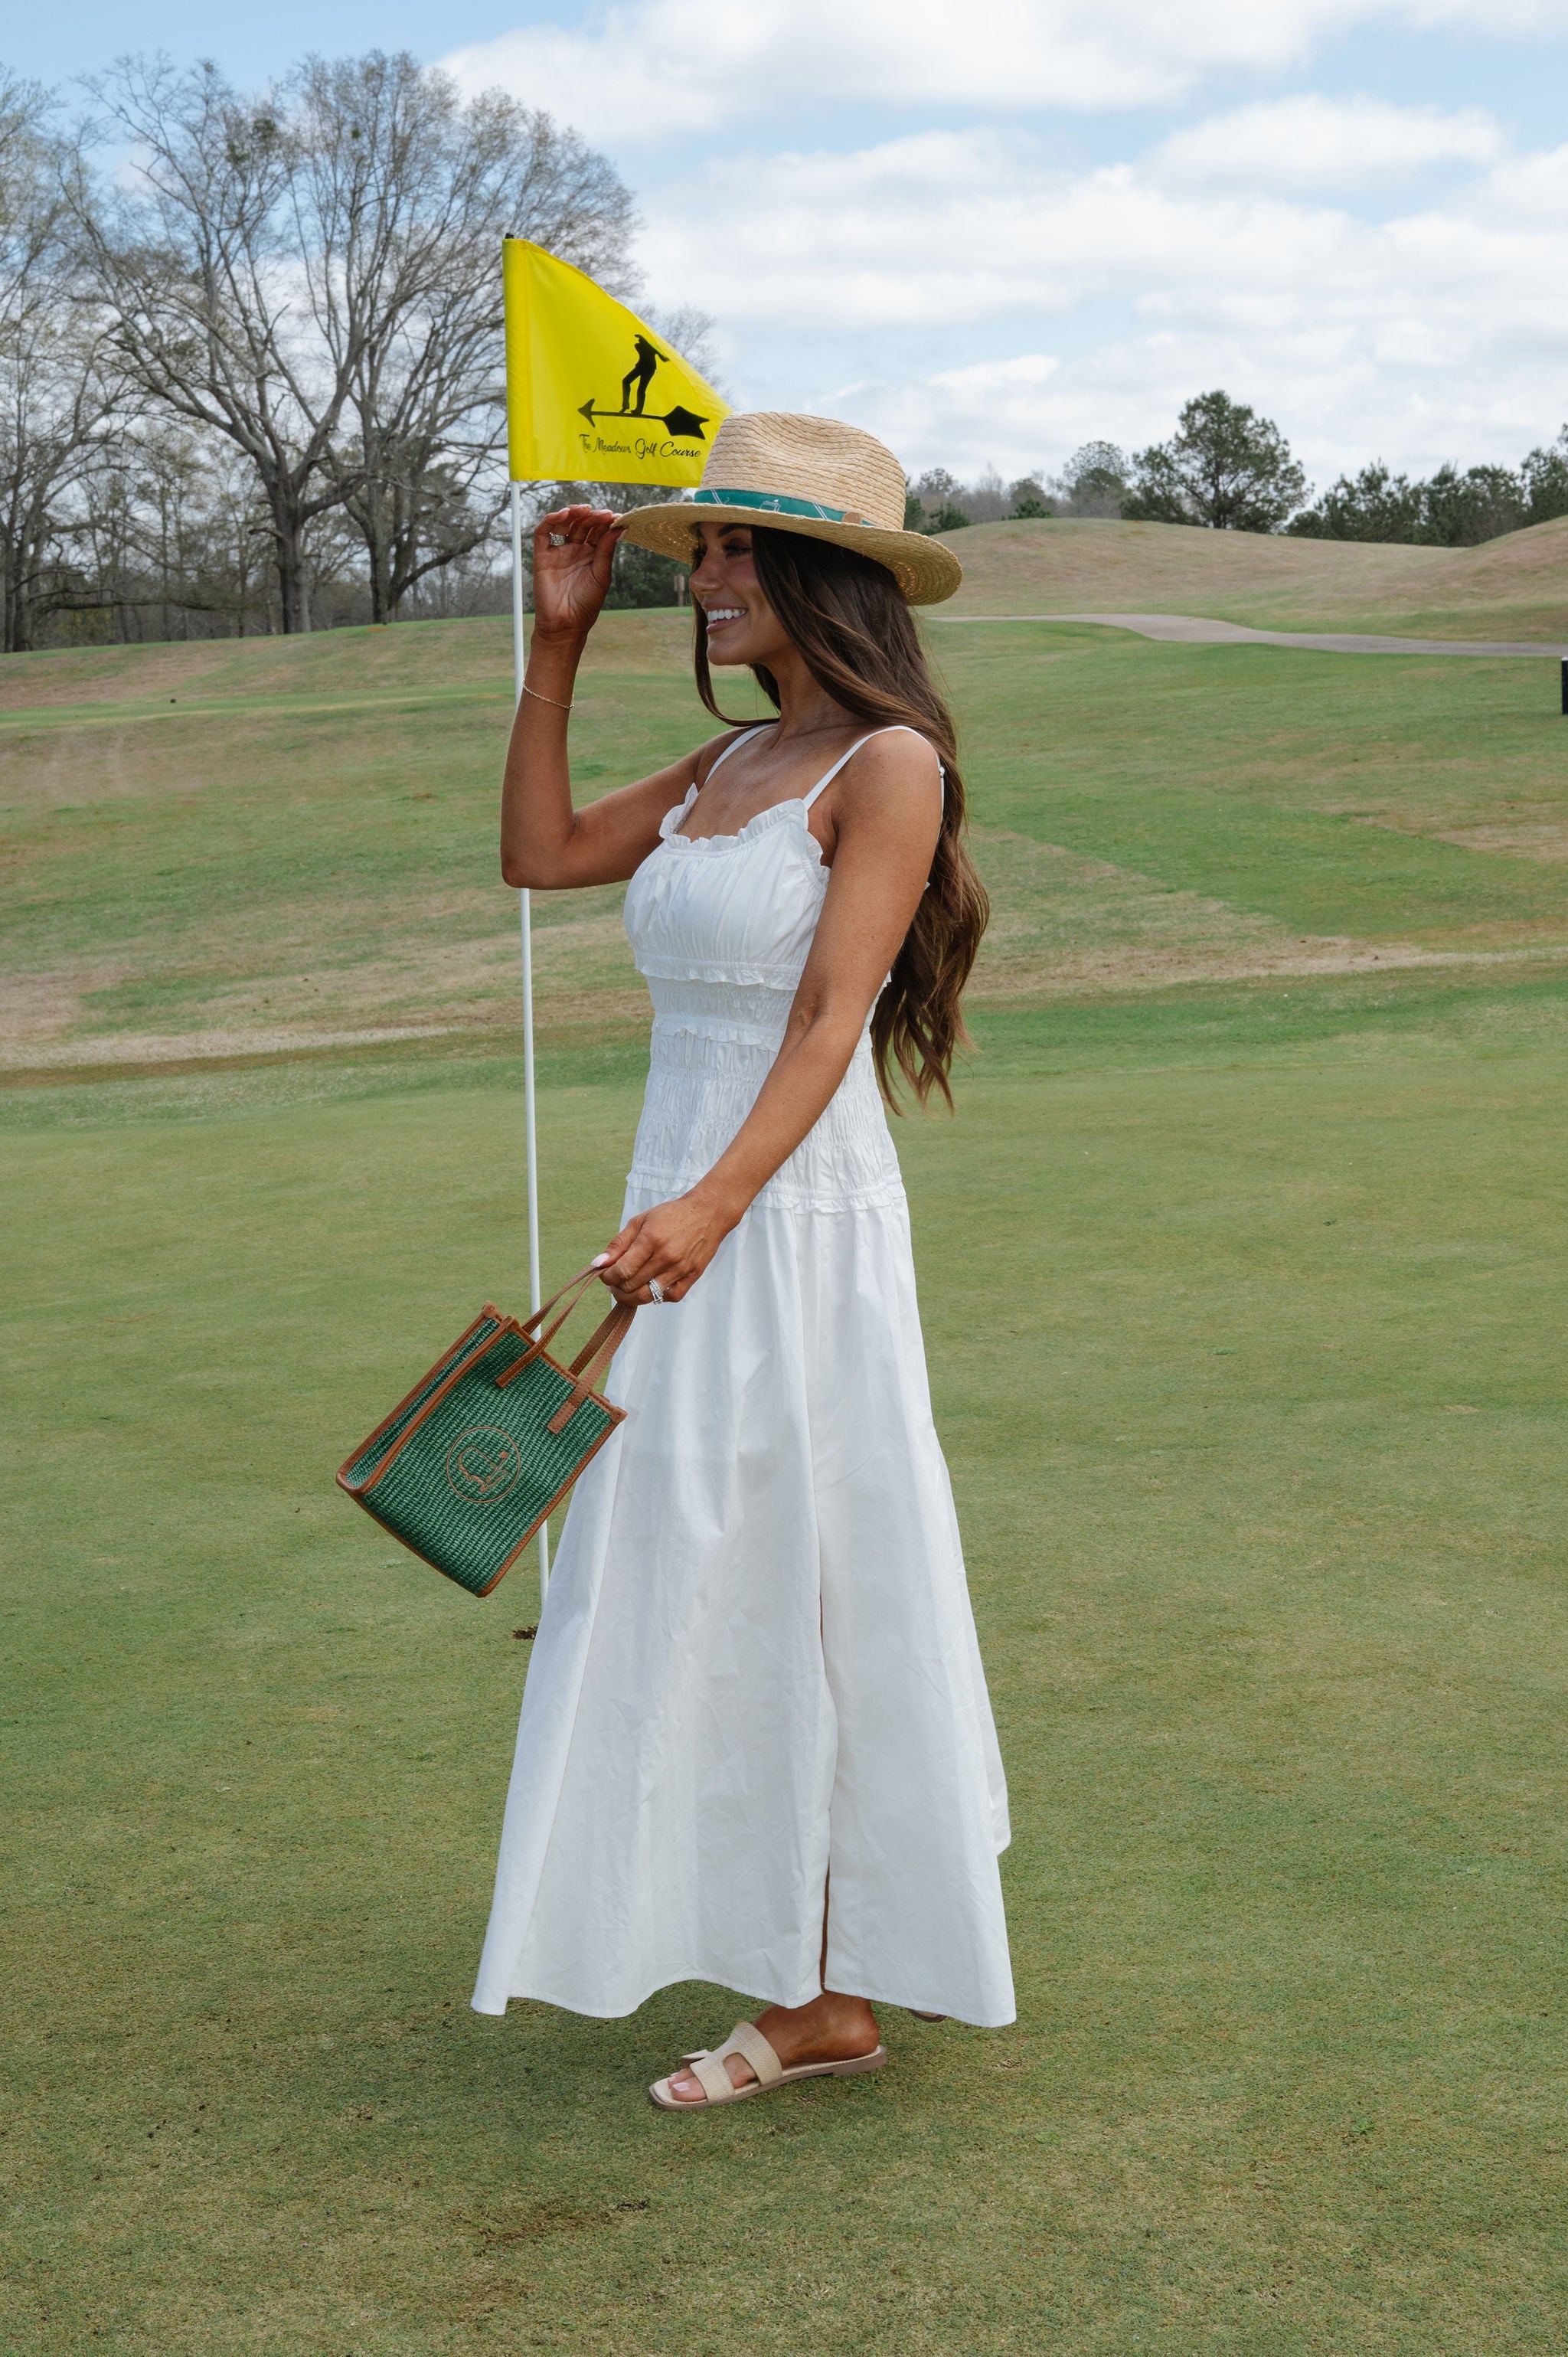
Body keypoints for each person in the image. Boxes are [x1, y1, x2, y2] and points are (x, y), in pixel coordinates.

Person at [472, 412, 1014, 2108]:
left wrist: (712, 1206)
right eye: (695, 553)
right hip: (681, 1208)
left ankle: (833, 1990)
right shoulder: (724, 771)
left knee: (810, 1569)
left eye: (724, 550)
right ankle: (790, 1965)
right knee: (682, 1568)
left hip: (784, 1222)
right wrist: (554, 646)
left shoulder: (888, 768)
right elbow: (540, 854)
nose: (698, 578)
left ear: (817, 575)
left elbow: (828, 1018)